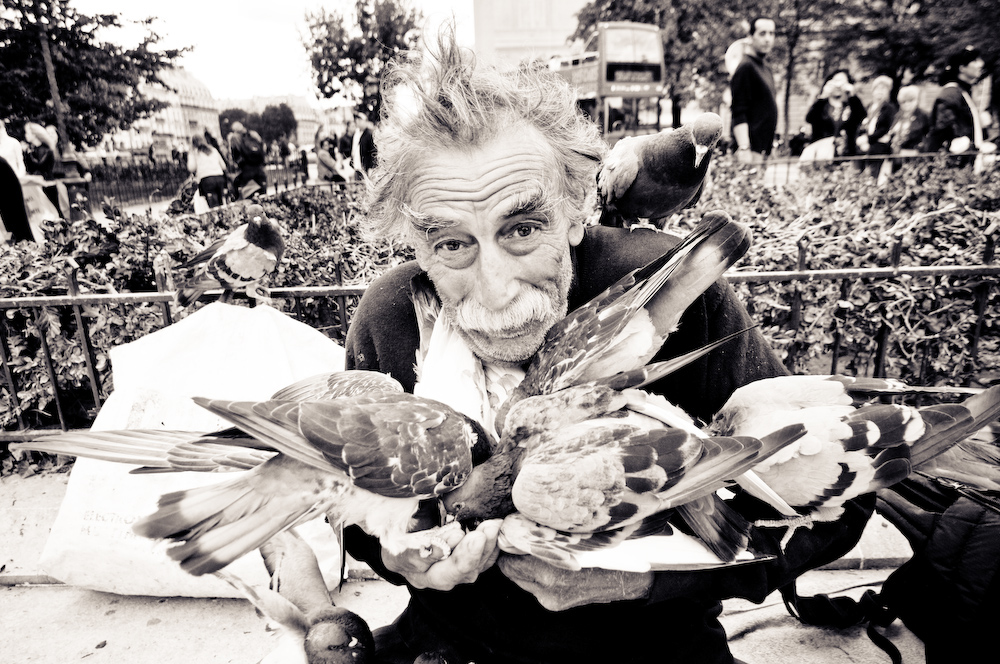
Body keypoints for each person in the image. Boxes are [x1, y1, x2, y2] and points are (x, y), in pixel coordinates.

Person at [339, 30, 874, 664]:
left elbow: (843, 506)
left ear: (575, 209)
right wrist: (401, 554)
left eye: (522, 228)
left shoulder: (679, 291)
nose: (496, 290)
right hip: (449, 644)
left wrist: (649, 580)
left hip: (655, 647)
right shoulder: (388, 318)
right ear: (415, 245)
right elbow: (350, 515)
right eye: (451, 244)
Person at [924, 45, 996, 172]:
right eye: (974, 61)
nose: (981, 64)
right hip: (951, 167)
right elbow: (945, 131)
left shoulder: (961, 92)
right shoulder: (951, 93)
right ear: (962, 68)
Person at [729, 17, 778, 163]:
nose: (768, 39)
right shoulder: (745, 67)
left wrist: (771, 144)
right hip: (750, 151)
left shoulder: (766, 67)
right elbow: (739, 111)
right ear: (750, 37)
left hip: (763, 149)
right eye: (762, 33)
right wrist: (744, 148)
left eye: (771, 33)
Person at [805, 70, 867, 158]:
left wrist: (853, 96)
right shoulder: (822, 105)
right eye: (836, 81)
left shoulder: (852, 104)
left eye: (843, 82)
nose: (838, 85)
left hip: (846, 154)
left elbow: (861, 116)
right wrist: (822, 97)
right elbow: (809, 118)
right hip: (822, 154)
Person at [857, 75, 897, 176]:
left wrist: (868, 139)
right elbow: (862, 123)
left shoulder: (889, 108)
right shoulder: (869, 106)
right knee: (858, 171)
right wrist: (861, 138)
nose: (880, 91)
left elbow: (885, 128)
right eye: (877, 88)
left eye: (883, 88)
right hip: (864, 144)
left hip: (879, 145)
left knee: (874, 173)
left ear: (888, 91)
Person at [187, 134, 228, 208]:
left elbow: (191, 168)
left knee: (213, 205)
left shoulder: (194, 152)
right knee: (221, 202)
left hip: (207, 179)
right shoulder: (213, 149)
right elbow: (223, 166)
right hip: (219, 177)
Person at [228, 121, 267, 198]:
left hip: (247, 170)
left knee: (250, 196)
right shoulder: (253, 134)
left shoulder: (235, 138)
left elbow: (235, 155)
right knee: (263, 195)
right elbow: (263, 148)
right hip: (259, 168)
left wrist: (239, 164)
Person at [351, 113, 377, 179]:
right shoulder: (356, 133)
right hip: (357, 166)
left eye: (360, 120)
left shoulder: (369, 134)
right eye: (357, 120)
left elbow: (373, 151)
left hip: (365, 167)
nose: (357, 122)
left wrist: (371, 168)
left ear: (364, 121)